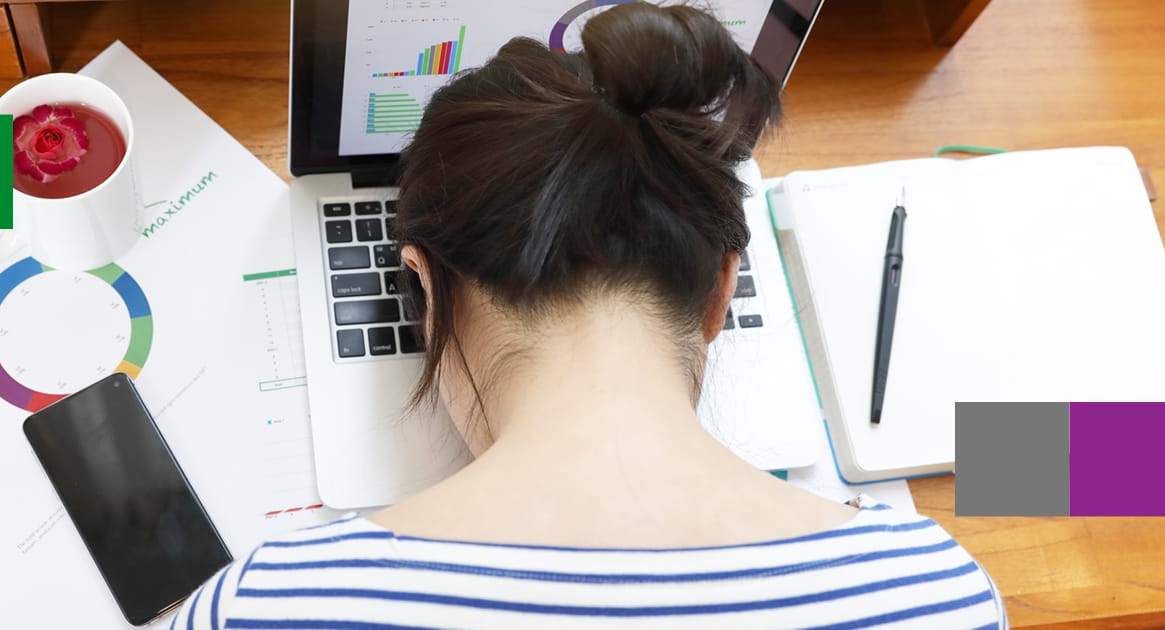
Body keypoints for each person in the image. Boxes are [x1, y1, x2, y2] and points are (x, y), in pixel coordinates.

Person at [171, 3, 1005, 627]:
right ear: (723, 289)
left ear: (424, 285)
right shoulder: (941, 594)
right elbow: (1111, 464)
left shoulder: (266, 605)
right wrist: (1121, 455)